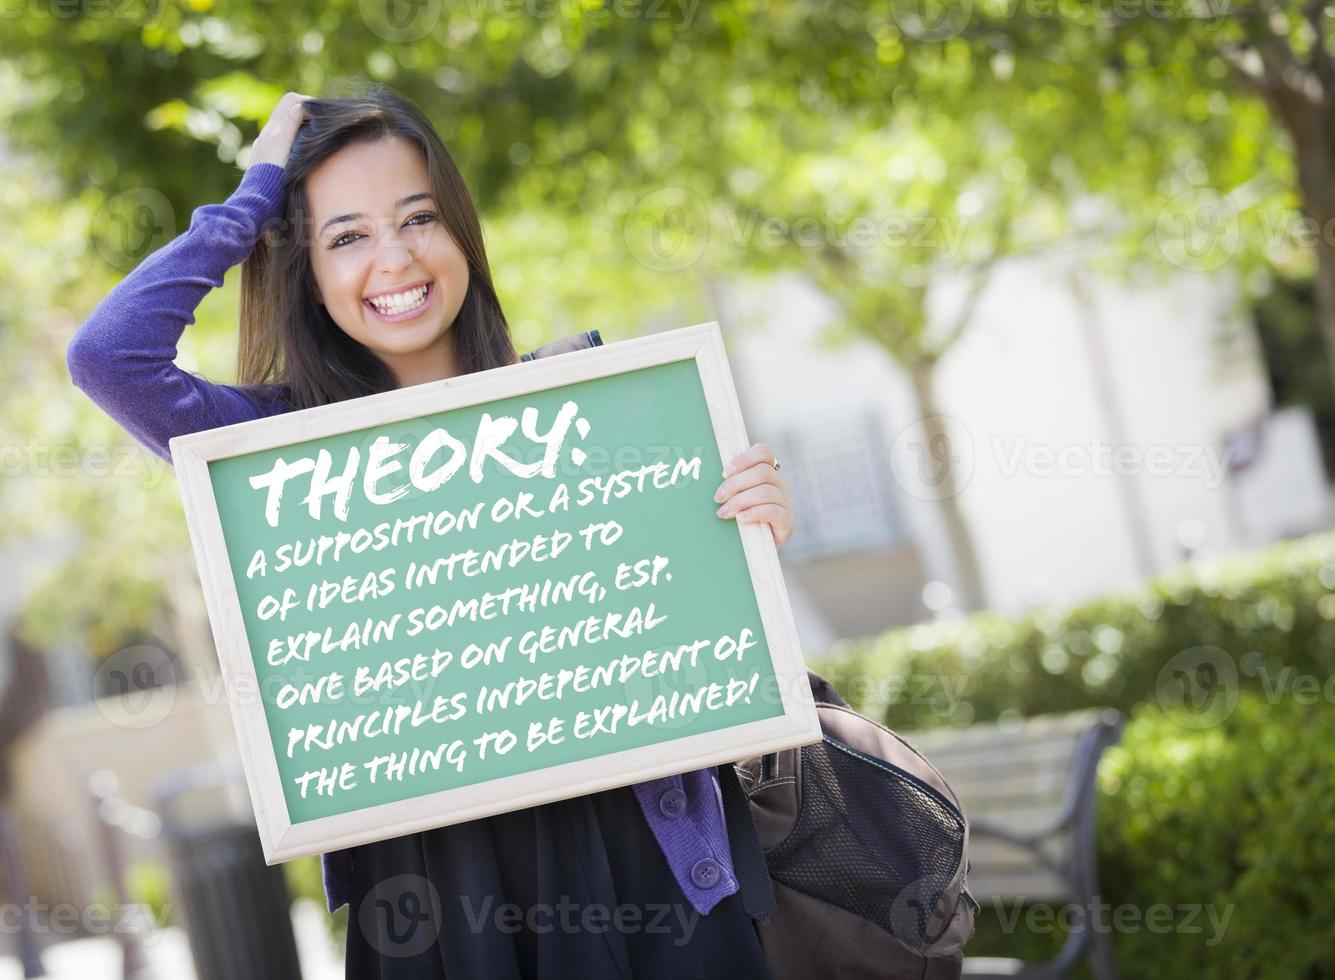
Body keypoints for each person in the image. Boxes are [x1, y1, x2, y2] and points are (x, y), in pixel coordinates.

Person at [66, 84, 798, 979]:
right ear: (302, 265)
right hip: (435, 897)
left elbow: (690, 635)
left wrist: (744, 537)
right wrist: (255, 192)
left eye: (418, 218)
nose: (395, 258)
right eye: (345, 236)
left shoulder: (591, 403)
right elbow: (110, 356)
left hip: (643, 857)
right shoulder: (271, 453)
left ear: (459, 232)